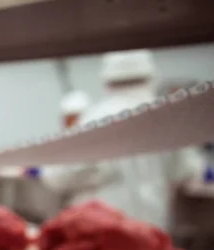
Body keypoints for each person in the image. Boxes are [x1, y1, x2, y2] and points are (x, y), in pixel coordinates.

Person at [41, 50, 204, 229]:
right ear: (150, 76)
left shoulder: (96, 118)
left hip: (98, 231)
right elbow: (189, 172)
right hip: (150, 230)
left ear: (106, 79)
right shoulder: (168, 118)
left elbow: (58, 175)